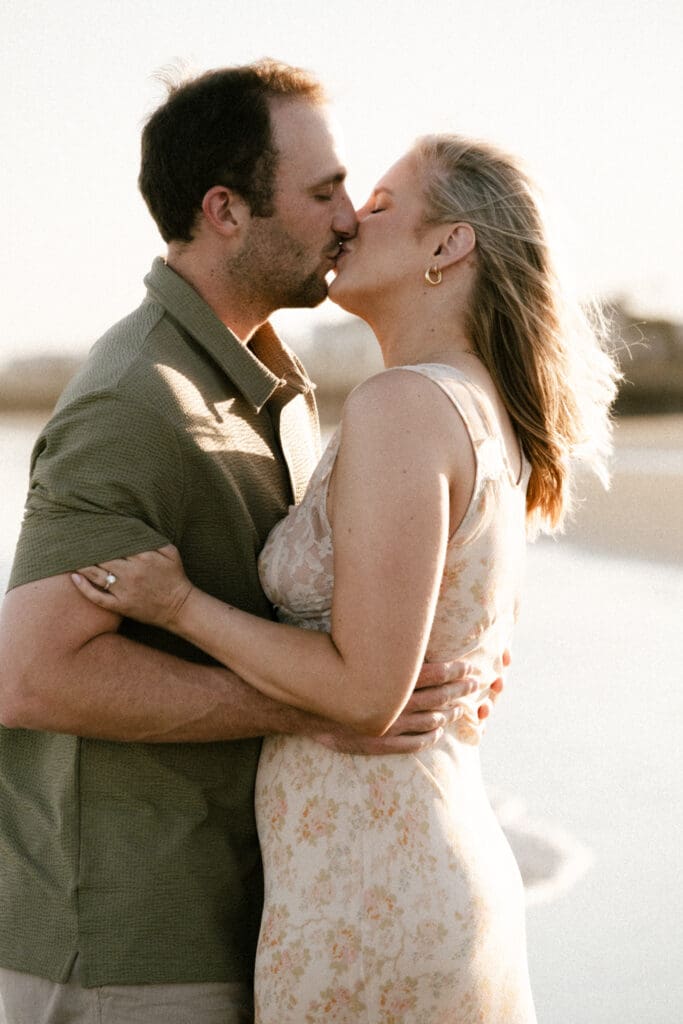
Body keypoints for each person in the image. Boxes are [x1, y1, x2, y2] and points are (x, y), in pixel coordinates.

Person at [70, 134, 620, 1022]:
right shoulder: (472, 405)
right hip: (393, 864)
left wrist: (180, 607)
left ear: (448, 246)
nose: (348, 222)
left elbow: (366, 692)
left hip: (371, 886)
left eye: (380, 205)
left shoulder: (404, 405)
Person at [0, 64, 497, 1024]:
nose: (349, 217)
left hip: (248, 910)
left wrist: (441, 665)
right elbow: (31, 675)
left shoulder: (276, 382)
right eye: (323, 193)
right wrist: (317, 706)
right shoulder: (132, 402)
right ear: (225, 210)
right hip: (120, 945)